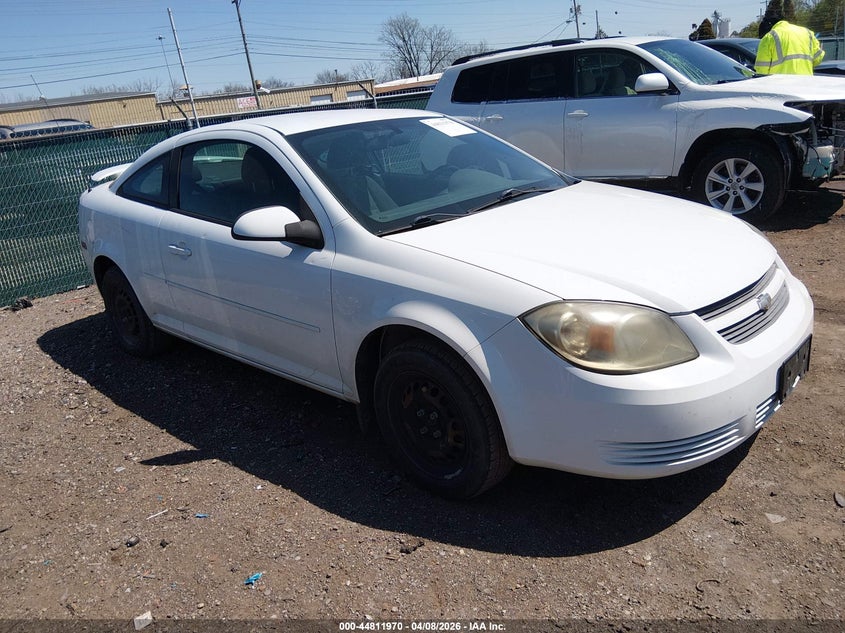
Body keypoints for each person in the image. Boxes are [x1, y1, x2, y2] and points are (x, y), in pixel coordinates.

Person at [755, 14, 824, 75]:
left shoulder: (769, 37)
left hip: (780, 86)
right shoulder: (807, 33)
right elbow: (818, 59)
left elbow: (761, 71)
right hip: (805, 84)